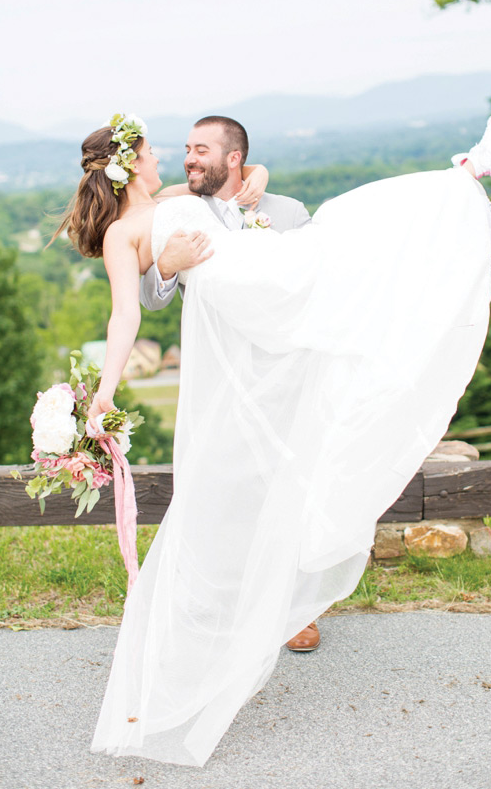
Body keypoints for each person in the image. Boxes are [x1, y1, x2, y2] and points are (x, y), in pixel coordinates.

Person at [58, 111, 491, 767]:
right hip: (247, 282)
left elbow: (239, 185)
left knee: (337, 236)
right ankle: (460, 185)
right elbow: (127, 312)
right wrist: (106, 388)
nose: (168, 159)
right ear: (130, 167)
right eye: (156, 152)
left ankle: (463, 179)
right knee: (332, 254)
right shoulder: (124, 233)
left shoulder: (177, 199)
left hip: (250, 270)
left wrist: (257, 172)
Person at [138, 115, 322, 653]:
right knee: (216, 487)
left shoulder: (286, 212)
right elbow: (152, 298)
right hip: (215, 380)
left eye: (201, 150)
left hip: (278, 377)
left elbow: (313, 283)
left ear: (233, 158)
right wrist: (167, 267)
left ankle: (294, 611)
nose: (190, 158)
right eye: (187, 149)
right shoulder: (182, 212)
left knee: (282, 488)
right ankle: (216, 605)